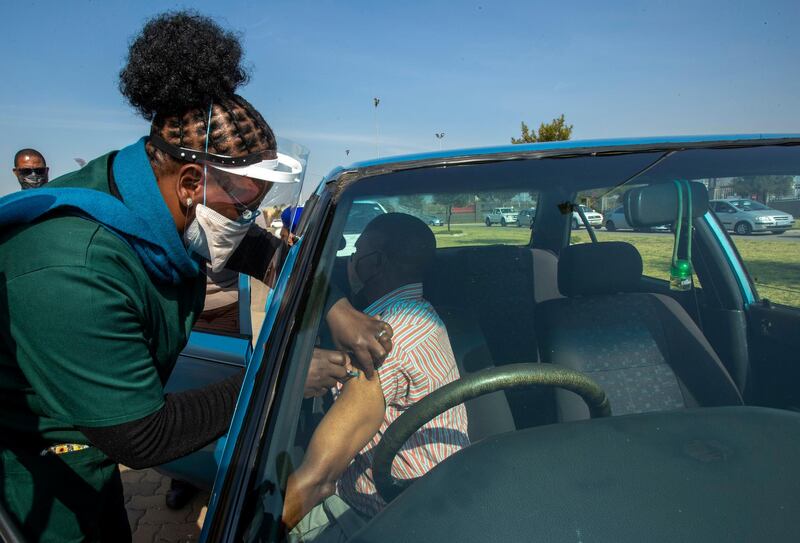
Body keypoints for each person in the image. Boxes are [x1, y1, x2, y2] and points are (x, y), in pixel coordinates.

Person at [0, 12, 391, 543]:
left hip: (86, 441)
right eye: (245, 203)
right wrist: (282, 378)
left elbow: (262, 252)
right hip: (34, 469)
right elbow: (142, 437)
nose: (249, 220)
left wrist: (334, 308)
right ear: (190, 182)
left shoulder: (153, 194)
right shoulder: (75, 268)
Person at [283, 213, 470, 542]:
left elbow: (318, 480)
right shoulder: (420, 315)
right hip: (441, 496)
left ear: (375, 262)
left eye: (355, 255)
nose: (351, 263)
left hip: (387, 516)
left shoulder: (383, 342)